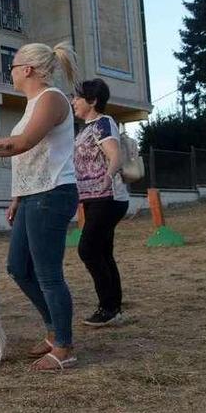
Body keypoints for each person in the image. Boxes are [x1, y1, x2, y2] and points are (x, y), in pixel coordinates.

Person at [0, 42, 80, 371]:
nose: (10, 72)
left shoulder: (51, 99)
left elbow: (23, 144)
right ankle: (54, 331)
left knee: (48, 274)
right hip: (34, 196)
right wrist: (17, 196)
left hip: (52, 195)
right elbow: (30, 158)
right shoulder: (35, 103)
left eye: (13, 65)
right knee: (18, 268)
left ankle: (65, 346)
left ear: (28, 70)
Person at [71, 78, 129, 327]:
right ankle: (113, 308)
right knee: (103, 252)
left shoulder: (103, 124)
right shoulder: (86, 128)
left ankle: (108, 307)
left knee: (88, 249)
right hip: (93, 199)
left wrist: (107, 177)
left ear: (93, 101)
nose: (73, 101)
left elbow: (115, 155)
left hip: (108, 197)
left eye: (78, 97)